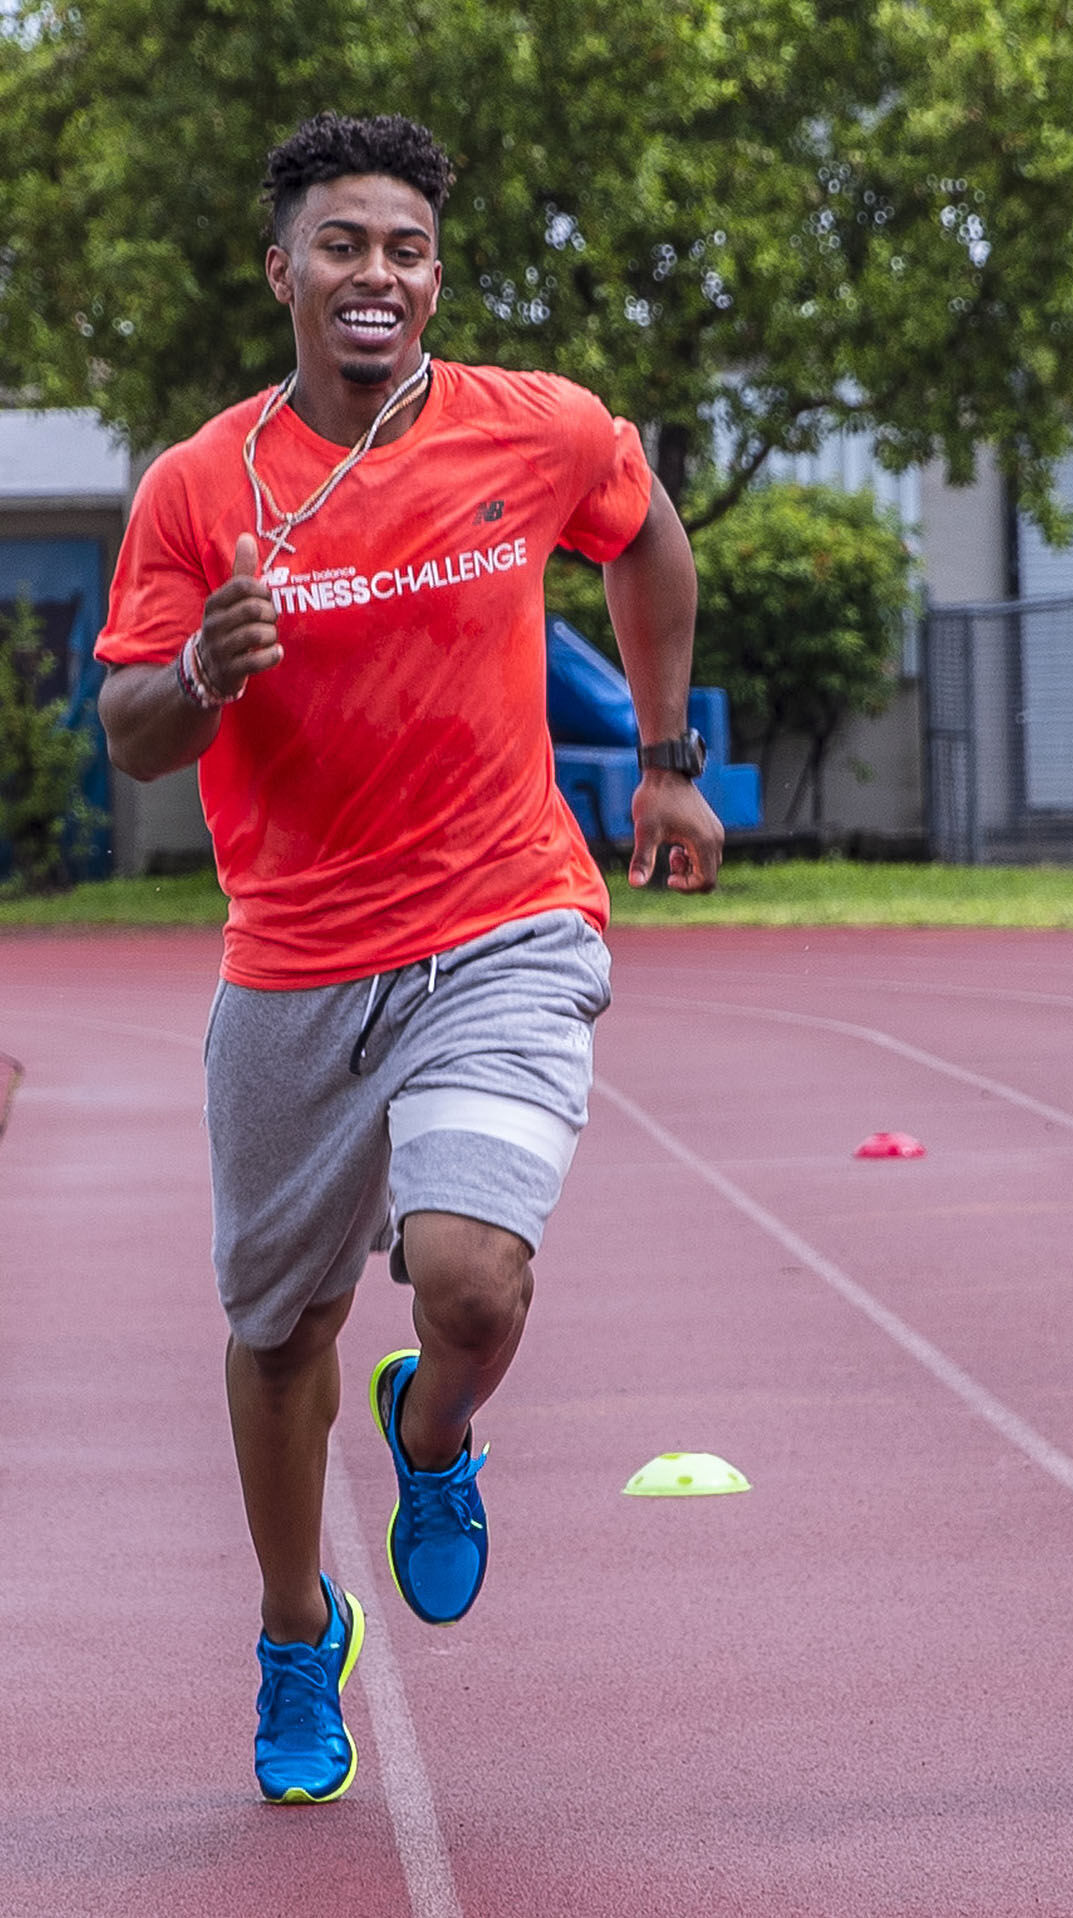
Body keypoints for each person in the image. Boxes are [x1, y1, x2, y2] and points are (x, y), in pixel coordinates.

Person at [94, 112, 723, 1805]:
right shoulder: (197, 485)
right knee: (279, 1329)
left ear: (433, 273)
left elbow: (648, 535)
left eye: (405, 249)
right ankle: (300, 1628)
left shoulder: (538, 428)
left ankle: (433, 1425)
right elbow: (132, 729)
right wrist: (209, 669)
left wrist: (663, 757)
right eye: (343, 245)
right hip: (295, 961)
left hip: (504, 921)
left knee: (471, 1277)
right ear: (283, 268)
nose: (376, 275)